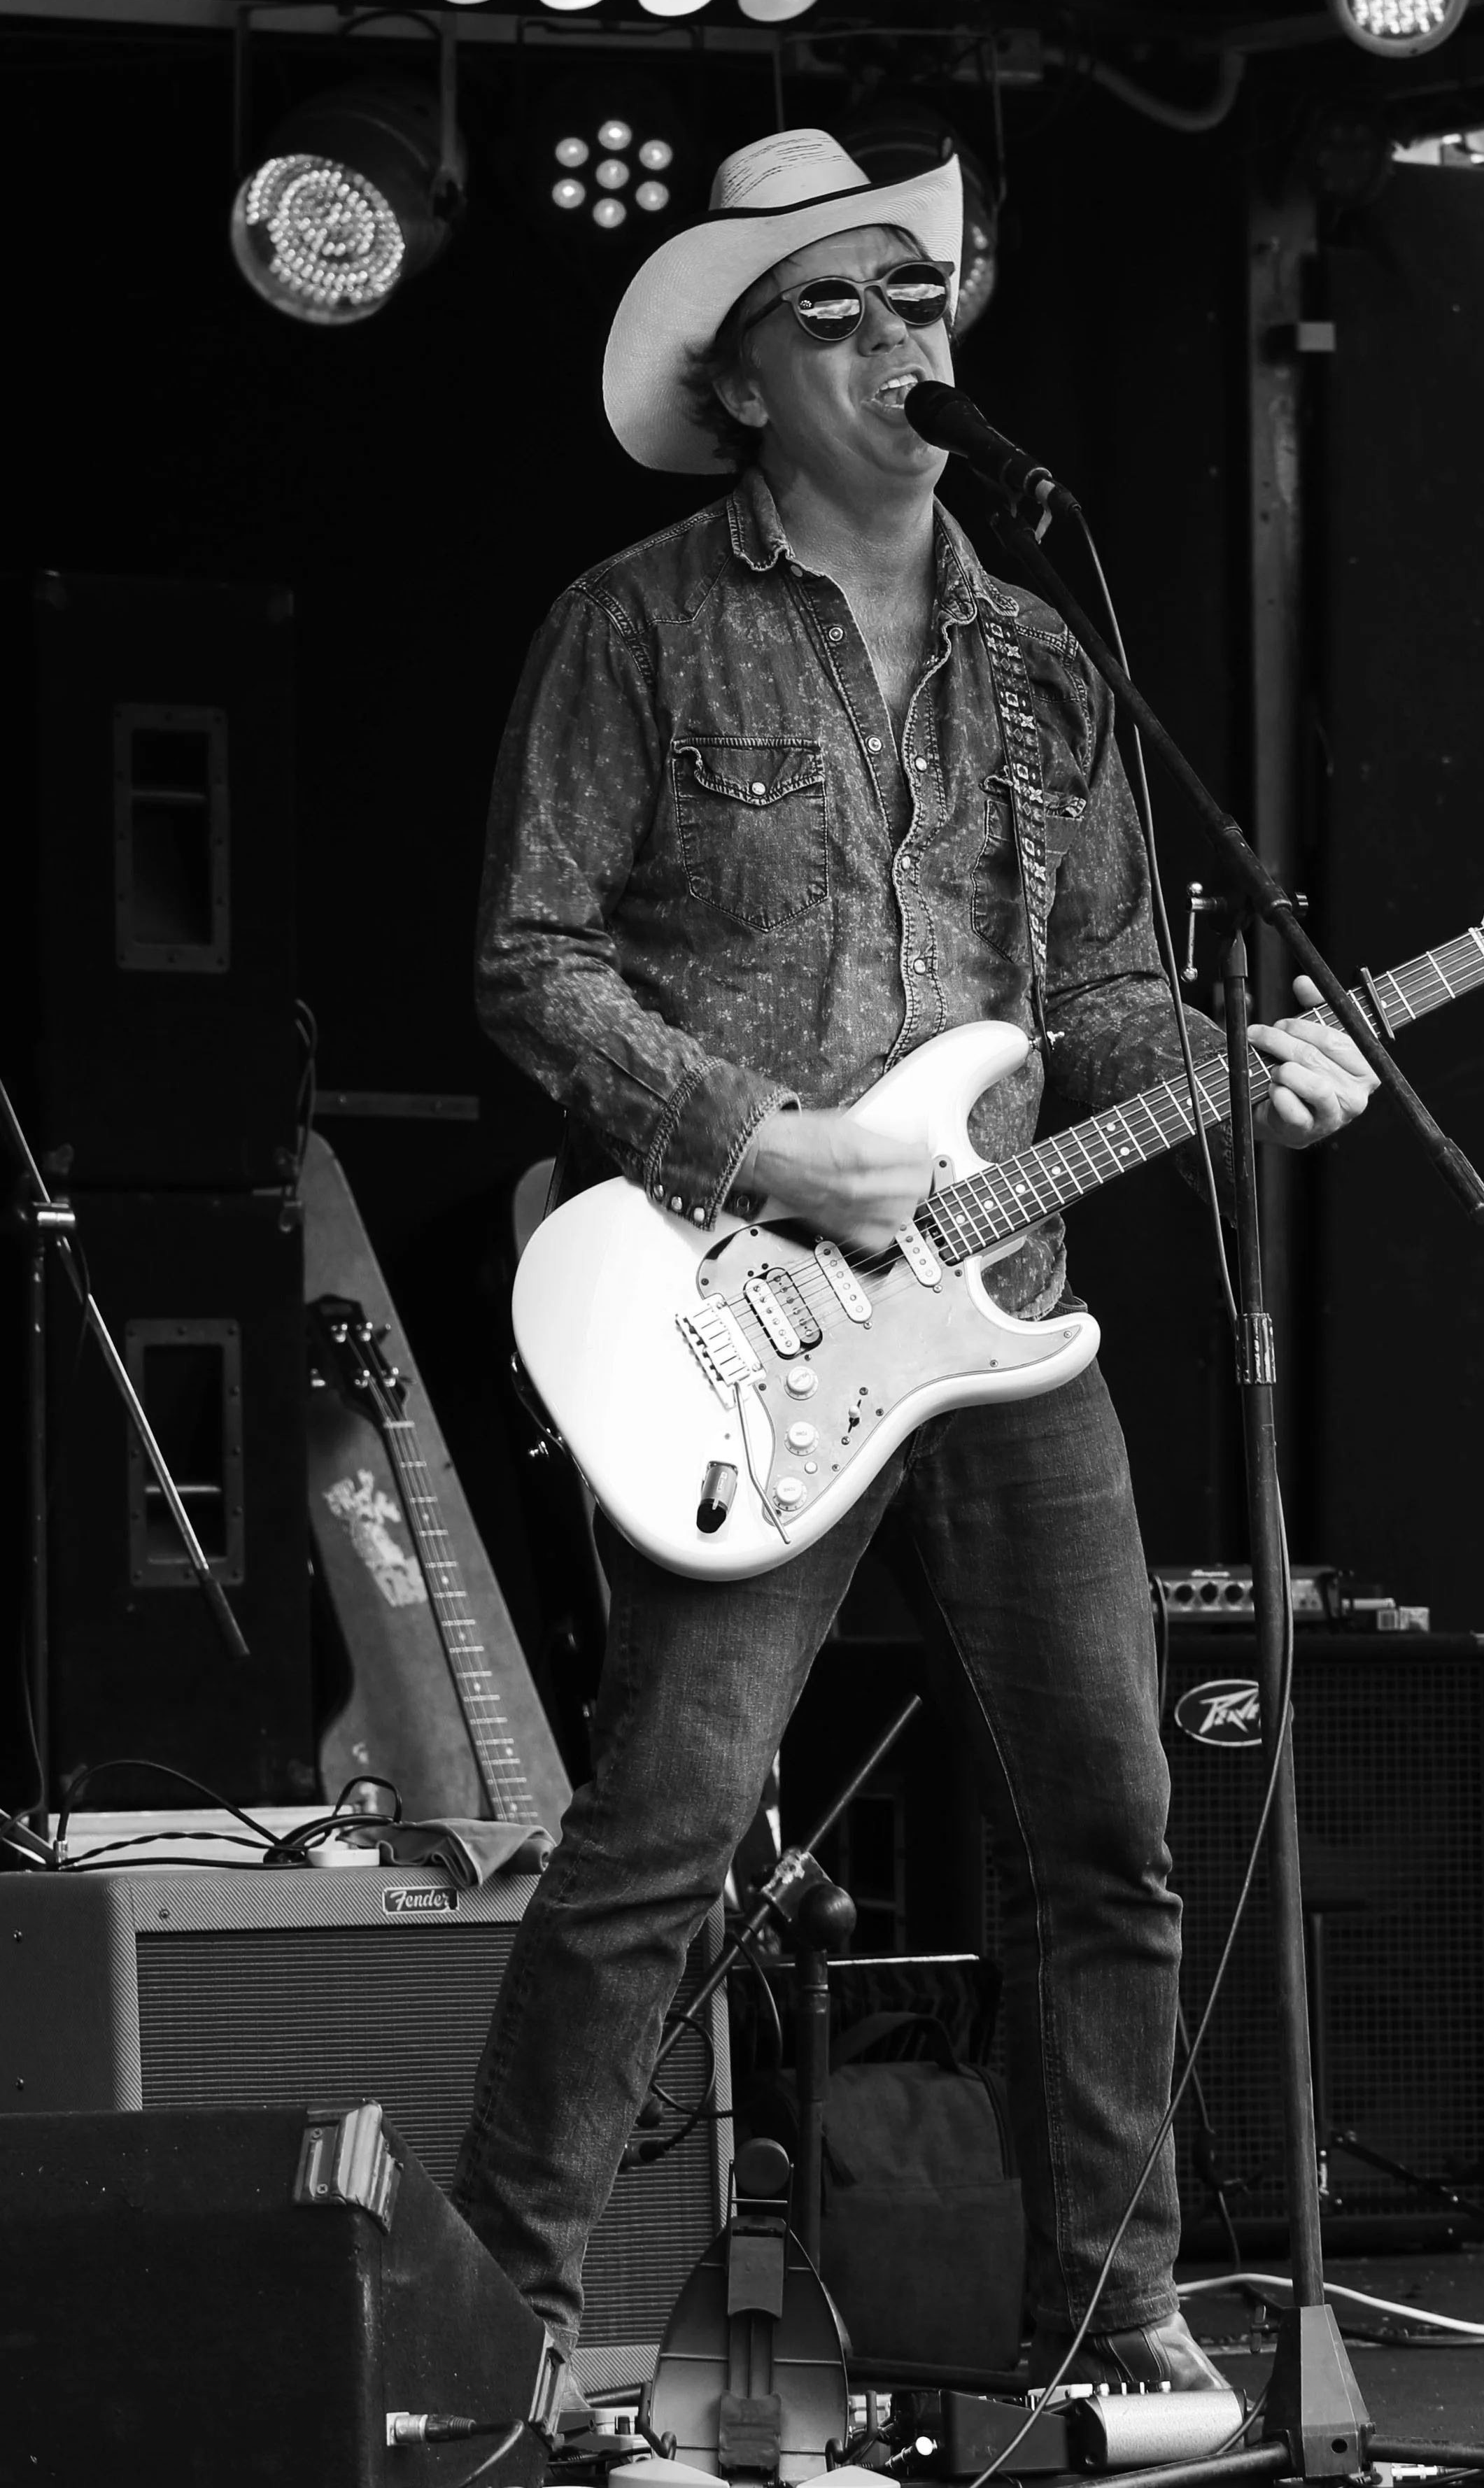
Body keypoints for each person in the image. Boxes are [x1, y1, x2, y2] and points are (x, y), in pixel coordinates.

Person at [454, 129, 1376, 2400]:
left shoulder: (1040, 655)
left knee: (1114, 1834)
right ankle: (493, 2319)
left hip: (997, 1319)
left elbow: (1089, 1007)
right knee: (662, 1829)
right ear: (744, 381)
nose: (894, 337)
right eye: (830, 310)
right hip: (737, 1309)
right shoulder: (638, 625)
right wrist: (768, 1141)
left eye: (914, 297)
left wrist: (1249, 1061)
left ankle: (1117, 2314)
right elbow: (530, 961)